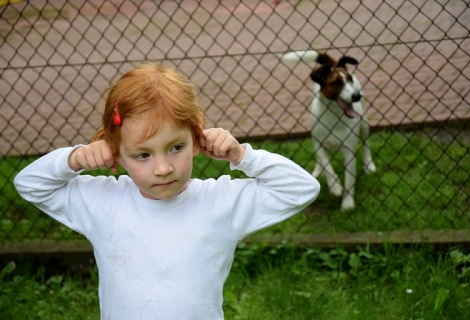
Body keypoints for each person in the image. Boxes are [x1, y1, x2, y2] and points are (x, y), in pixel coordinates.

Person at [14, 61, 320, 319]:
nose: (163, 168)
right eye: (143, 155)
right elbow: (29, 184)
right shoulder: (103, 201)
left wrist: (243, 156)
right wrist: (73, 158)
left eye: (175, 147)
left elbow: (301, 189)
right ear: (115, 153)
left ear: (197, 138)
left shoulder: (219, 202)